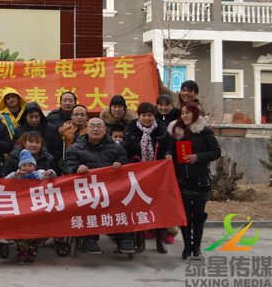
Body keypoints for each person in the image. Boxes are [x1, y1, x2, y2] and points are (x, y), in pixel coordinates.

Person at [63, 117, 134, 254]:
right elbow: (67, 167)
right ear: (87, 129)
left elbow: (126, 166)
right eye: (92, 126)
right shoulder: (75, 148)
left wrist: (120, 166)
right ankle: (89, 239)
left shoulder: (116, 148)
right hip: (87, 190)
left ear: (105, 130)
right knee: (88, 203)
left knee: (123, 202)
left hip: (112, 189)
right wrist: (77, 168)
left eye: (99, 126)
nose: (96, 129)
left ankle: (124, 238)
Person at [166, 102, 221, 260]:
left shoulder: (205, 131)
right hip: (181, 180)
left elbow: (216, 152)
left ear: (195, 114)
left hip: (199, 181)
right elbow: (170, 148)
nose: (185, 116)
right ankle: (187, 246)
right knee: (184, 215)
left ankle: (196, 246)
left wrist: (199, 157)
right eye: (182, 113)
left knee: (198, 215)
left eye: (188, 112)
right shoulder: (176, 131)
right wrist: (168, 154)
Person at [122, 102, 172, 253]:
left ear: (154, 116)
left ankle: (160, 241)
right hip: (138, 176)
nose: (146, 118)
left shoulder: (163, 131)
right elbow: (124, 151)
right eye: (143, 115)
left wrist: (168, 154)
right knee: (139, 207)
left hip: (159, 176)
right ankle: (140, 241)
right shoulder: (130, 131)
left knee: (161, 207)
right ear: (138, 116)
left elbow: (170, 147)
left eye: (150, 115)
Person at [5, 149, 55, 264]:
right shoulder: (16, 175)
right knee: (21, 231)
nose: (27, 168)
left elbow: (53, 175)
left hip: (36, 206)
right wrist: (15, 175)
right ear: (20, 167)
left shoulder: (39, 173)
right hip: (21, 206)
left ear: (35, 166)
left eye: (30, 165)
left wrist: (50, 172)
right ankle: (21, 252)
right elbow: (5, 181)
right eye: (24, 166)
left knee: (35, 230)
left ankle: (32, 251)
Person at [11, 102, 62, 172]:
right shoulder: (19, 130)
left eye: (36, 116)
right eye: (31, 117)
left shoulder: (51, 129)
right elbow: (15, 147)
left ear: (41, 116)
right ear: (25, 117)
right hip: (24, 166)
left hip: (47, 165)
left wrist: (50, 159)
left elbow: (58, 148)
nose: (34, 120)